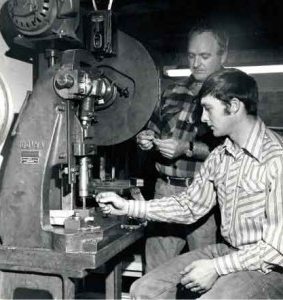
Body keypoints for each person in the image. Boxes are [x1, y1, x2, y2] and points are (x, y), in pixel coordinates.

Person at [97, 68, 283, 299]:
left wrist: (216, 267)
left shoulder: (277, 158)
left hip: (270, 267)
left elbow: (276, 249)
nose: (203, 118)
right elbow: (190, 206)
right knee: (143, 290)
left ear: (234, 106)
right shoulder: (220, 156)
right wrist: (129, 207)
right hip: (228, 251)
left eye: (208, 108)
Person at [136, 23, 229, 273]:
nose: (196, 63)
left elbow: (234, 150)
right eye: (191, 55)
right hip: (165, 190)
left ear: (223, 56)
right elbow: (152, 128)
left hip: (206, 195)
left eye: (205, 56)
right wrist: (145, 139)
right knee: (155, 276)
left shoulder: (231, 93)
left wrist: (187, 148)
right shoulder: (172, 91)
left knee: (205, 277)